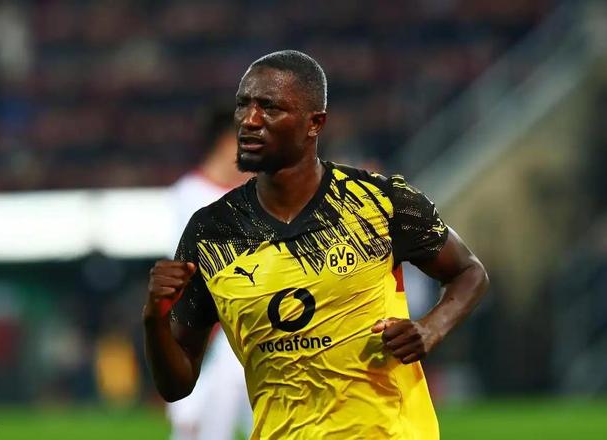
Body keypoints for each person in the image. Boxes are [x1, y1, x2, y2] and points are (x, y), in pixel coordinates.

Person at [144, 50, 489, 439]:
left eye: (269, 107)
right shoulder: (212, 232)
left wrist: (430, 329)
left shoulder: (379, 202)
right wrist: (154, 318)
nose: (250, 120)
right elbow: (176, 385)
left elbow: (469, 272)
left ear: (314, 123)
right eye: (244, 105)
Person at [162, 108, 252, 440]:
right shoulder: (190, 194)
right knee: (196, 429)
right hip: (208, 331)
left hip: (252, 326)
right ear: (228, 142)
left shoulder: (256, 194)